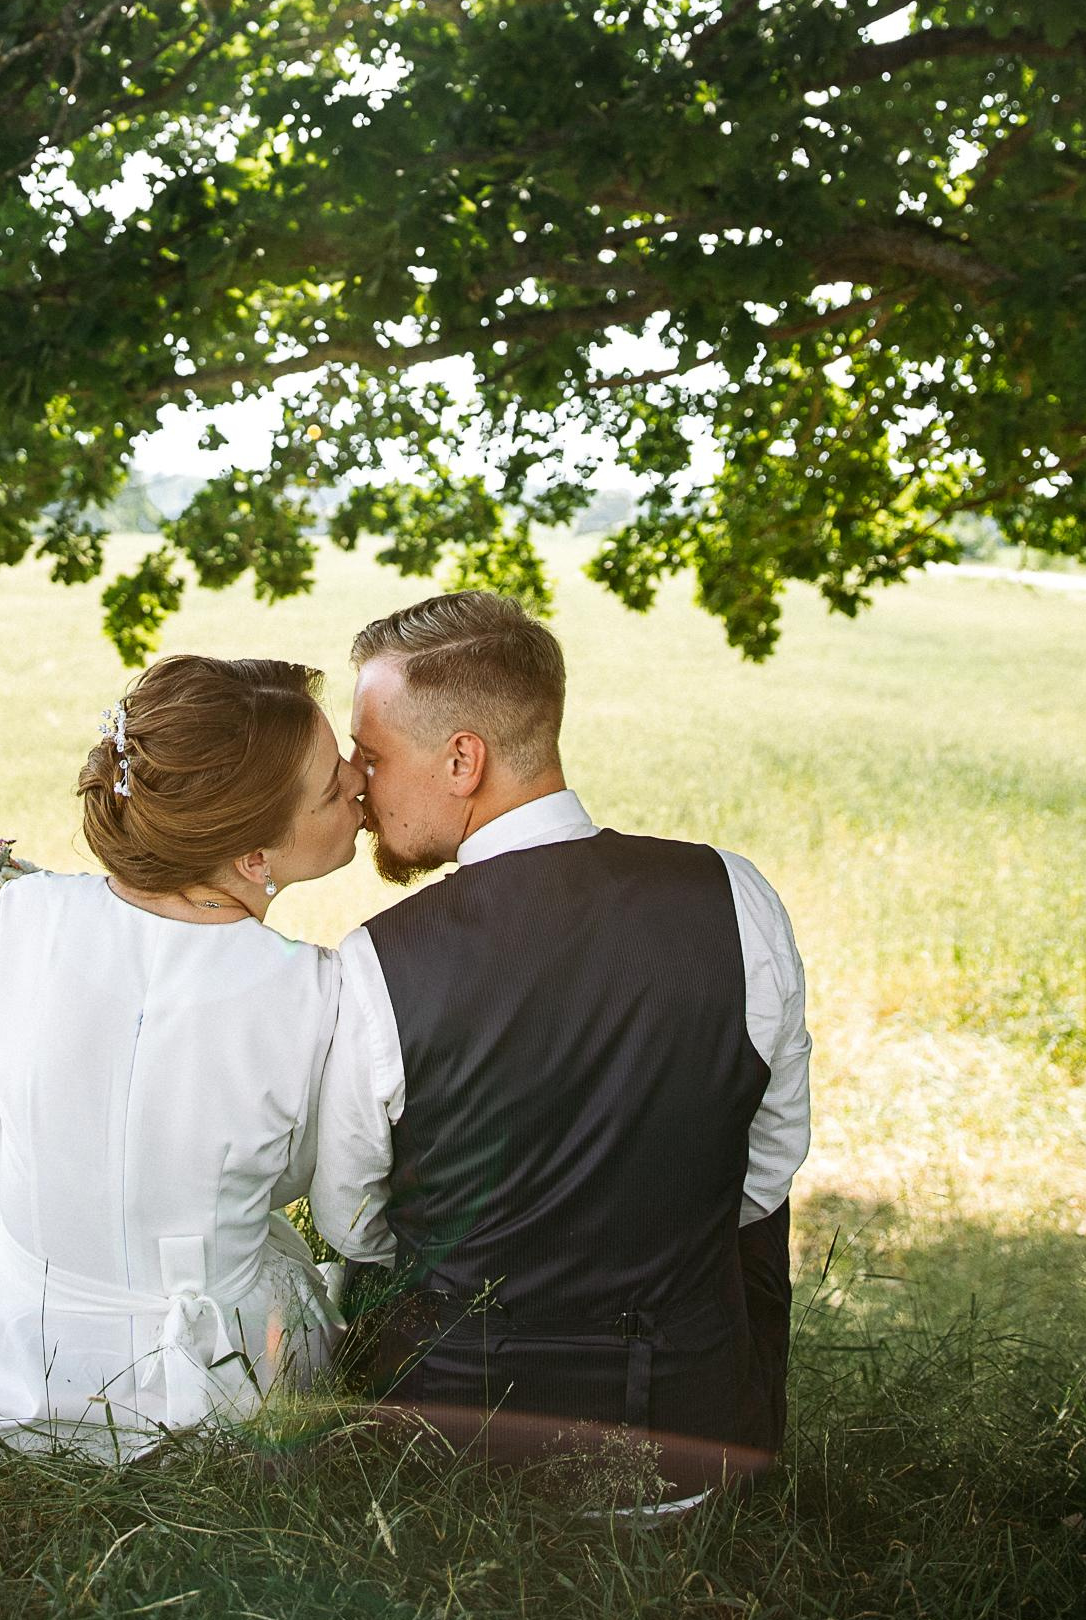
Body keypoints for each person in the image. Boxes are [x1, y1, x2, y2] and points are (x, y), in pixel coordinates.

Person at [314, 589, 810, 1501]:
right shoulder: (736, 896)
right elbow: (765, 1169)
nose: (358, 785)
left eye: (374, 756)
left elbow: (354, 1222)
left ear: (463, 758)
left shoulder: (380, 961)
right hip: (688, 1448)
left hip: (458, 1473)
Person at [0, 652, 366, 1459]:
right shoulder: (315, 989)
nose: (361, 782)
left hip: (19, 1349)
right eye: (335, 785)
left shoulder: (30, 917)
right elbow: (299, 1180)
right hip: (229, 1369)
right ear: (255, 859)